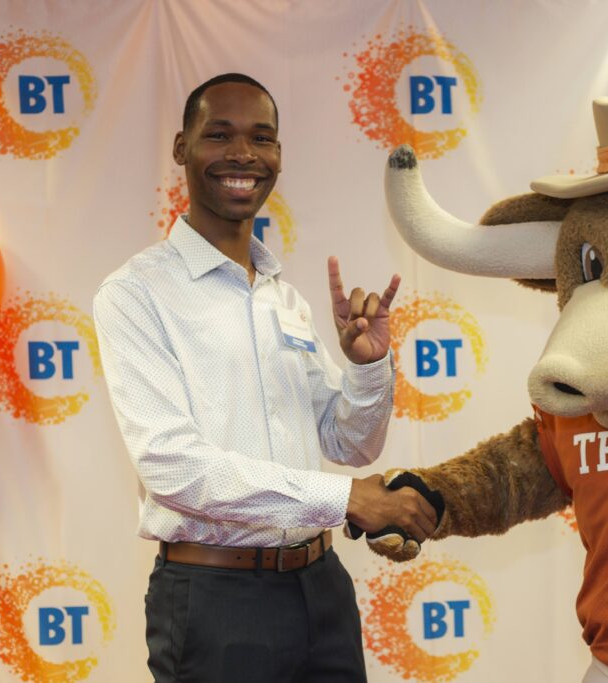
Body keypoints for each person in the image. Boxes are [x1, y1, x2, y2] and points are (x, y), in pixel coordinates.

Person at [93, 73, 437, 683]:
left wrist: (366, 367)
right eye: (218, 135)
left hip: (321, 589)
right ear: (181, 148)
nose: (243, 155)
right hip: (215, 601)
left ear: (278, 155)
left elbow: (349, 442)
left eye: (262, 138)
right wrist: (345, 497)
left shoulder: (283, 297)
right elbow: (174, 468)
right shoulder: (135, 293)